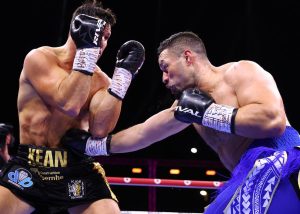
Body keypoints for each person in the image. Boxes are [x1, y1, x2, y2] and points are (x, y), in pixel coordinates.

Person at [63, 31, 300, 213]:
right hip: (249, 176)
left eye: (166, 68)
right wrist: (90, 146)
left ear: (188, 57)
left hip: (284, 161)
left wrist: (209, 113)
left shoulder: (240, 72)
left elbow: (273, 121)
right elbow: (143, 134)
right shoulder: (185, 107)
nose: (164, 79)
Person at [0, 0, 145, 213]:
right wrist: (86, 51)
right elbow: (68, 103)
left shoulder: (101, 81)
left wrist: (122, 80)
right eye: (99, 35)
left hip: (75, 167)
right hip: (30, 164)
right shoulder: (40, 58)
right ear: (78, 29)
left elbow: (100, 130)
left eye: (106, 37)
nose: (103, 43)